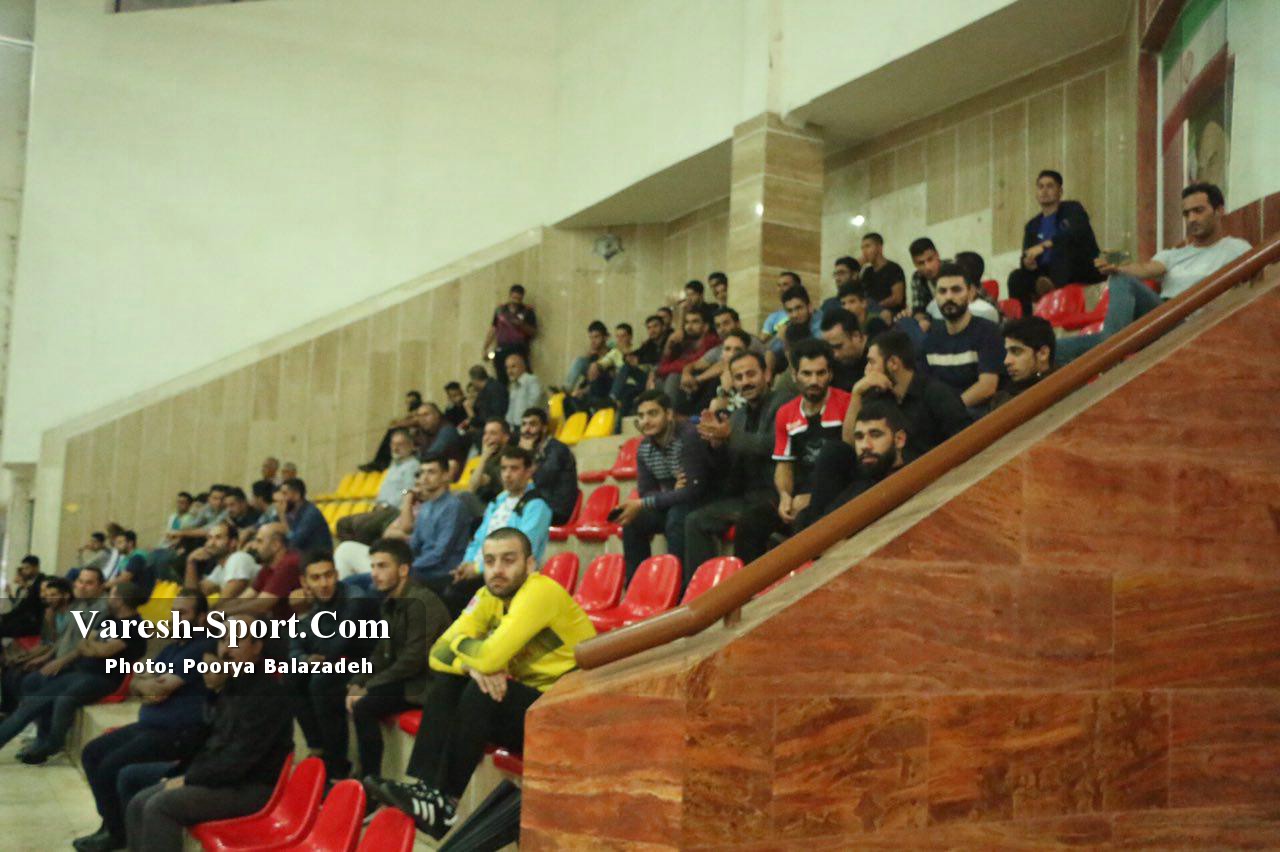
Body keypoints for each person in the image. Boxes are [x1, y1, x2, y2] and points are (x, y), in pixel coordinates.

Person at [362, 528, 595, 838]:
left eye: (508, 560)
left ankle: (445, 803)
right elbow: (437, 653)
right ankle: (427, 790)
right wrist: (471, 666)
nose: (497, 570)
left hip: (571, 712)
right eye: (490, 560)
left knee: (482, 689)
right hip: (533, 709)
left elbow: (484, 657)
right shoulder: (487, 596)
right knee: (451, 680)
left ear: (530, 564)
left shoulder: (540, 592)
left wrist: (470, 657)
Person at [124, 614, 294, 852]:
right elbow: (208, 742)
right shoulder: (231, 685)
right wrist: (212, 694)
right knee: (138, 802)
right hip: (222, 779)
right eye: (223, 640)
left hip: (252, 788)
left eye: (236, 640)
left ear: (257, 647)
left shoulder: (267, 695)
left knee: (159, 806)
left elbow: (238, 759)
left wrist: (190, 779)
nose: (226, 649)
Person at [74, 590, 216, 852]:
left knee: (110, 766)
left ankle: (116, 833)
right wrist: (145, 683)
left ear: (202, 618)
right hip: (150, 725)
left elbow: (158, 690)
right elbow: (137, 680)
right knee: (92, 752)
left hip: (177, 733)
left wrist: (148, 684)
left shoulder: (202, 647)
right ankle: (112, 824)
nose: (176, 618)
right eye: (174, 612)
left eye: (183, 613)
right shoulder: (173, 647)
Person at [1056, 182, 1252, 365]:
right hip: (1162, 317)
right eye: (1187, 214)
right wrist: (1118, 268)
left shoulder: (1236, 248)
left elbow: (1255, 285)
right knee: (1050, 347)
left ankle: (1111, 350)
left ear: (1219, 211)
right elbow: (1146, 269)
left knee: (1091, 342)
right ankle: (1110, 349)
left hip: (1195, 324)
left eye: (1198, 211)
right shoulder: (1173, 255)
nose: (1192, 219)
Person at [0, 581, 149, 763]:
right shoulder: (109, 620)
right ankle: (42, 740)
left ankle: (52, 744)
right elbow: (83, 645)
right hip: (82, 671)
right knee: (34, 694)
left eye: (112, 595)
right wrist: (91, 647)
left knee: (59, 700)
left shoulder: (134, 626)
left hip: (105, 678)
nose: (108, 598)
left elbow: (102, 651)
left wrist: (92, 646)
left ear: (120, 600)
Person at [346, 538, 451, 778]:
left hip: (428, 685)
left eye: (382, 566)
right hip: (409, 679)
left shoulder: (422, 602)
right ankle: (354, 772)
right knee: (342, 690)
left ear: (403, 569)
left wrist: (369, 686)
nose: (374, 574)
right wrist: (357, 681)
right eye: (373, 566)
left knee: (364, 706)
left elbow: (413, 660)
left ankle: (369, 781)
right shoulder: (390, 602)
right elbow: (381, 653)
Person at [743, 339, 850, 557]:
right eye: (807, 374)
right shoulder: (785, 413)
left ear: (830, 374)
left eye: (820, 373)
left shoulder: (847, 404)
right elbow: (784, 464)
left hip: (836, 493)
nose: (814, 381)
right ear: (794, 375)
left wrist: (813, 497)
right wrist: (784, 496)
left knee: (805, 521)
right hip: (798, 494)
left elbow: (851, 464)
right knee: (751, 522)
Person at [685, 351, 785, 569]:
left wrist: (729, 436)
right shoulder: (737, 416)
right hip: (746, 496)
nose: (745, 382)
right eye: (738, 377)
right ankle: (704, 587)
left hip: (777, 495)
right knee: (694, 520)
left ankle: (746, 587)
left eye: (751, 374)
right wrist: (717, 445)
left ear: (767, 374)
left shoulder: (784, 402)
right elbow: (729, 468)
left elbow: (773, 445)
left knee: (750, 521)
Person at [287, 553, 375, 781]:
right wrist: (306, 660)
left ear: (336, 575)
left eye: (328, 575)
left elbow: (339, 645)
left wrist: (318, 657)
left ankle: (337, 767)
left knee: (322, 682)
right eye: (316, 578)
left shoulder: (355, 599)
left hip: (367, 663)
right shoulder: (315, 608)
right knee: (291, 676)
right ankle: (318, 748)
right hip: (338, 664)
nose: (324, 583)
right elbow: (295, 647)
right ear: (304, 582)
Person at [335, 454, 472, 596]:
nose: (424, 478)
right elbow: (414, 544)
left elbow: (440, 553)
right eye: (422, 472)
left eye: (431, 472)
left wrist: (404, 567)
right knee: (351, 582)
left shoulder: (454, 507)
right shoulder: (426, 506)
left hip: (440, 571)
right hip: (417, 567)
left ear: (445, 475)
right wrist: (396, 561)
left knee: (373, 588)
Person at [615, 390, 711, 583]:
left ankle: (677, 587)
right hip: (674, 501)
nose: (646, 421)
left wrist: (665, 494)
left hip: (703, 500)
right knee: (633, 520)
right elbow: (646, 492)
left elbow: (692, 491)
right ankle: (637, 586)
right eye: (641, 416)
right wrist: (672, 491)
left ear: (668, 414)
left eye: (653, 413)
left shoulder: (688, 437)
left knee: (676, 517)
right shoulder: (644, 448)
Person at [446, 446, 552, 614]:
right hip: (483, 569)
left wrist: (478, 568)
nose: (507, 474)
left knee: (451, 595)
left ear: (528, 471)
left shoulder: (537, 506)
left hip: (510, 576)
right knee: (444, 586)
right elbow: (479, 539)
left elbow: (521, 551)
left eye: (514, 468)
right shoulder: (498, 501)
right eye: (504, 468)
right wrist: (466, 564)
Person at [842, 329, 970, 457]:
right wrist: (856, 394)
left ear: (893, 363)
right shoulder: (877, 396)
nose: (867, 370)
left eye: (872, 362)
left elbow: (965, 441)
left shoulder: (936, 394)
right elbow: (850, 444)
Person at [801, 397, 910, 527]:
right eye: (859, 437)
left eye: (875, 435)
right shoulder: (856, 489)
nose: (865, 445)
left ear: (899, 439)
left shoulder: (919, 475)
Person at [1006, 170, 1104, 316]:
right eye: (1041, 187)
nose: (1044, 191)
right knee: (1016, 277)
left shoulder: (1073, 209)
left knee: (1062, 249)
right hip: (1044, 273)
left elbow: (1075, 233)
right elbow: (1027, 253)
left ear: (1060, 191)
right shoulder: (1032, 225)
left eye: (1050, 186)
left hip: (1079, 267)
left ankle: (1053, 288)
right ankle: (1025, 321)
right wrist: (1027, 262)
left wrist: (1045, 245)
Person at [921, 262, 1004, 413]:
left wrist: (950, 409)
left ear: (971, 293)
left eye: (956, 290)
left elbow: (987, 387)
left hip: (979, 415)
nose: (948, 297)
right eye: (942, 291)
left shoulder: (987, 331)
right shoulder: (930, 339)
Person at [1, 576, 71, 714]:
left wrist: (33, 658)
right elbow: (47, 641)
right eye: (46, 594)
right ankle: (11, 709)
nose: (48, 598)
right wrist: (25, 657)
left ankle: (24, 712)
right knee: (10, 670)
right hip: (51, 652)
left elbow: (55, 644)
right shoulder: (51, 612)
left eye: (53, 595)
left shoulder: (72, 614)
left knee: (21, 675)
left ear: (66, 595)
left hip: (59, 657)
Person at [338, 429, 419, 543]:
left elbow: (408, 489)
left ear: (410, 446)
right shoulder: (393, 465)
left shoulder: (412, 466)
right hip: (380, 508)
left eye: (400, 444)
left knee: (361, 526)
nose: (395, 448)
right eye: (393, 444)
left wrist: (402, 495)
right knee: (343, 523)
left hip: (393, 510)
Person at [217, 522, 301, 621]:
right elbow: (245, 598)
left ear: (276, 545)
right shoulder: (268, 566)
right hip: (276, 621)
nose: (254, 546)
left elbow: (261, 604)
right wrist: (216, 610)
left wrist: (222, 613)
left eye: (259, 541)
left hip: (294, 625)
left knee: (237, 622)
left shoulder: (289, 563)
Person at [518, 407, 579, 526]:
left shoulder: (557, 449)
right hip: (539, 504)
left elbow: (542, 479)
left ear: (544, 428)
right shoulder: (535, 451)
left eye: (532, 424)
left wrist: (529, 453)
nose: (527, 430)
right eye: (524, 424)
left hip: (558, 509)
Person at [185, 520, 259, 601]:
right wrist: (191, 562)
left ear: (232, 543)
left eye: (218, 538)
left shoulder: (238, 558)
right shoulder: (220, 569)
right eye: (209, 538)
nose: (211, 543)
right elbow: (192, 597)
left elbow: (224, 602)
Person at [992, 317, 1056, 409]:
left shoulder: (1062, 390)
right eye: (1007, 352)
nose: (1006, 361)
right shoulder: (1002, 397)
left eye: (1016, 351)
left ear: (1043, 353)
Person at [656, 310, 719, 401]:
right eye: (687, 322)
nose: (689, 326)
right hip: (681, 380)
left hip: (698, 382)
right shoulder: (684, 343)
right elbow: (663, 364)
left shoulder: (711, 341)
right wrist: (669, 343)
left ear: (705, 327)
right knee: (658, 381)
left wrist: (662, 370)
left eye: (695, 322)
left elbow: (693, 364)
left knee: (674, 376)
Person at [612, 315, 667, 414]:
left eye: (655, 326)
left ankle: (612, 398)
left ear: (663, 327)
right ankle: (612, 399)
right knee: (627, 387)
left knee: (629, 390)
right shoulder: (649, 344)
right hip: (646, 379)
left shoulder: (669, 340)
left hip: (661, 376)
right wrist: (628, 356)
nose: (652, 330)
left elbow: (661, 360)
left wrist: (641, 361)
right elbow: (635, 355)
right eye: (649, 328)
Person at [484, 284, 538, 385]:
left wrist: (521, 325)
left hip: (519, 348)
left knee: (523, 378)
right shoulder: (500, 310)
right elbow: (493, 329)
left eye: (518, 299)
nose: (515, 301)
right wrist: (485, 347)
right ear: (509, 296)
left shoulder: (527, 311)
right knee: (501, 379)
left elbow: (533, 332)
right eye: (514, 298)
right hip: (501, 348)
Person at [460, 418, 512, 518]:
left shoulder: (510, 457)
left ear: (505, 437)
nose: (487, 438)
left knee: (463, 497)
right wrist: (484, 457)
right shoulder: (487, 457)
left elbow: (472, 488)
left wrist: (484, 457)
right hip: (484, 506)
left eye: (493, 433)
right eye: (485, 433)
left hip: (499, 509)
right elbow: (472, 487)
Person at [274, 477, 334, 556]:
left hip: (317, 558)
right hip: (302, 556)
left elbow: (293, 543)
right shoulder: (289, 513)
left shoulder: (310, 514)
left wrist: (282, 517)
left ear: (297, 495)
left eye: (285, 494)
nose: (281, 498)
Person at [766, 284, 824, 363]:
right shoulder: (790, 324)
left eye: (799, 308)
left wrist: (785, 342)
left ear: (810, 307)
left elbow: (811, 360)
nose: (795, 315)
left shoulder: (821, 323)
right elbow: (770, 351)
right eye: (790, 311)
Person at [564, 320, 613, 405]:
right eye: (591, 338)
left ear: (605, 337)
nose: (593, 341)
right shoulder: (593, 356)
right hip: (590, 390)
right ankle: (565, 389)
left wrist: (583, 391)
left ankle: (566, 391)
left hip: (603, 390)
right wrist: (579, 390)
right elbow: (587, 381)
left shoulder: (611, 355)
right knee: (580, 361)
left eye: (596, 337)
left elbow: (603, 381)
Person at [819, 308, 869, 391]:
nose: (834, 354)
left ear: (856, 336)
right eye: (829, 348)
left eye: (838, 346)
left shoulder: (879, 358)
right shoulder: (830, 364)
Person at [412, 402, 465, 478]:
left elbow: (432, 455)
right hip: (427, 475)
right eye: (419, 416)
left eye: (426, 415)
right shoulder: (422, 432)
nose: (422, 419)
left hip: (445, 477)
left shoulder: (447, 430)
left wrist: (413, 458)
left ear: (437, 415)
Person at [860, 233, 908, 314]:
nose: (864, 252)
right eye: (862, 248)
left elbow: (897, 298)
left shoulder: (893, 268)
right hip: (871, 314)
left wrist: (876, 306)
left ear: (879, 247)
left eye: (867, 246)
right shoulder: (867, 272)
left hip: (893, 314)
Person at [1, 554, 46, 638]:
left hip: (33, 622)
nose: (24, 571)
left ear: (36, 568)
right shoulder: (27, 585)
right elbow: (19, 608)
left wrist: (27, 588)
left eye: (27, 568)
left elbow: (33, 604)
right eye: (23, 568)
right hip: (23, 619)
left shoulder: (42, 582)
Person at [503, 351, 547, 431]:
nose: (509, 371)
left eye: (513, 367)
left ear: (523, 367)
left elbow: (535, 404)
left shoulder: (531, 380)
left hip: (529, 427)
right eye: (507, 368)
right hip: (515, 428)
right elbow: (511, 409)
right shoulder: (513, 385)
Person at [104, 530, 153, 598]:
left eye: (120, 542)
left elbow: (124, 578)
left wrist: (102, 586)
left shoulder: (138, 556)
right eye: (116, 543)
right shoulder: (125, 559)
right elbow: (118, 577)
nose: (116, 546)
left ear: (130, 543)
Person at [760, 271, 806, 342]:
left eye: (785, 285)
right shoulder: (773, 317)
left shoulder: (808, 312)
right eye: (779, 285)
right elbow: (761, 342)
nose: (781, 289)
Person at [906, 237, 943, 322]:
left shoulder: (952, 270)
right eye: (921, 263)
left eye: (930, 259)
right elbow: (918, 310)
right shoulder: (917, 277)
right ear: (914, 264)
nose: (927, 267)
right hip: (932, 321)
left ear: (937, 255)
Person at [467, 365, 509, 431]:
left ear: (475, 379)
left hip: (495, 429)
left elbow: (494, 417)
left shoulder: (494, 389)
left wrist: (470, 411)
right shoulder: (485, 390)